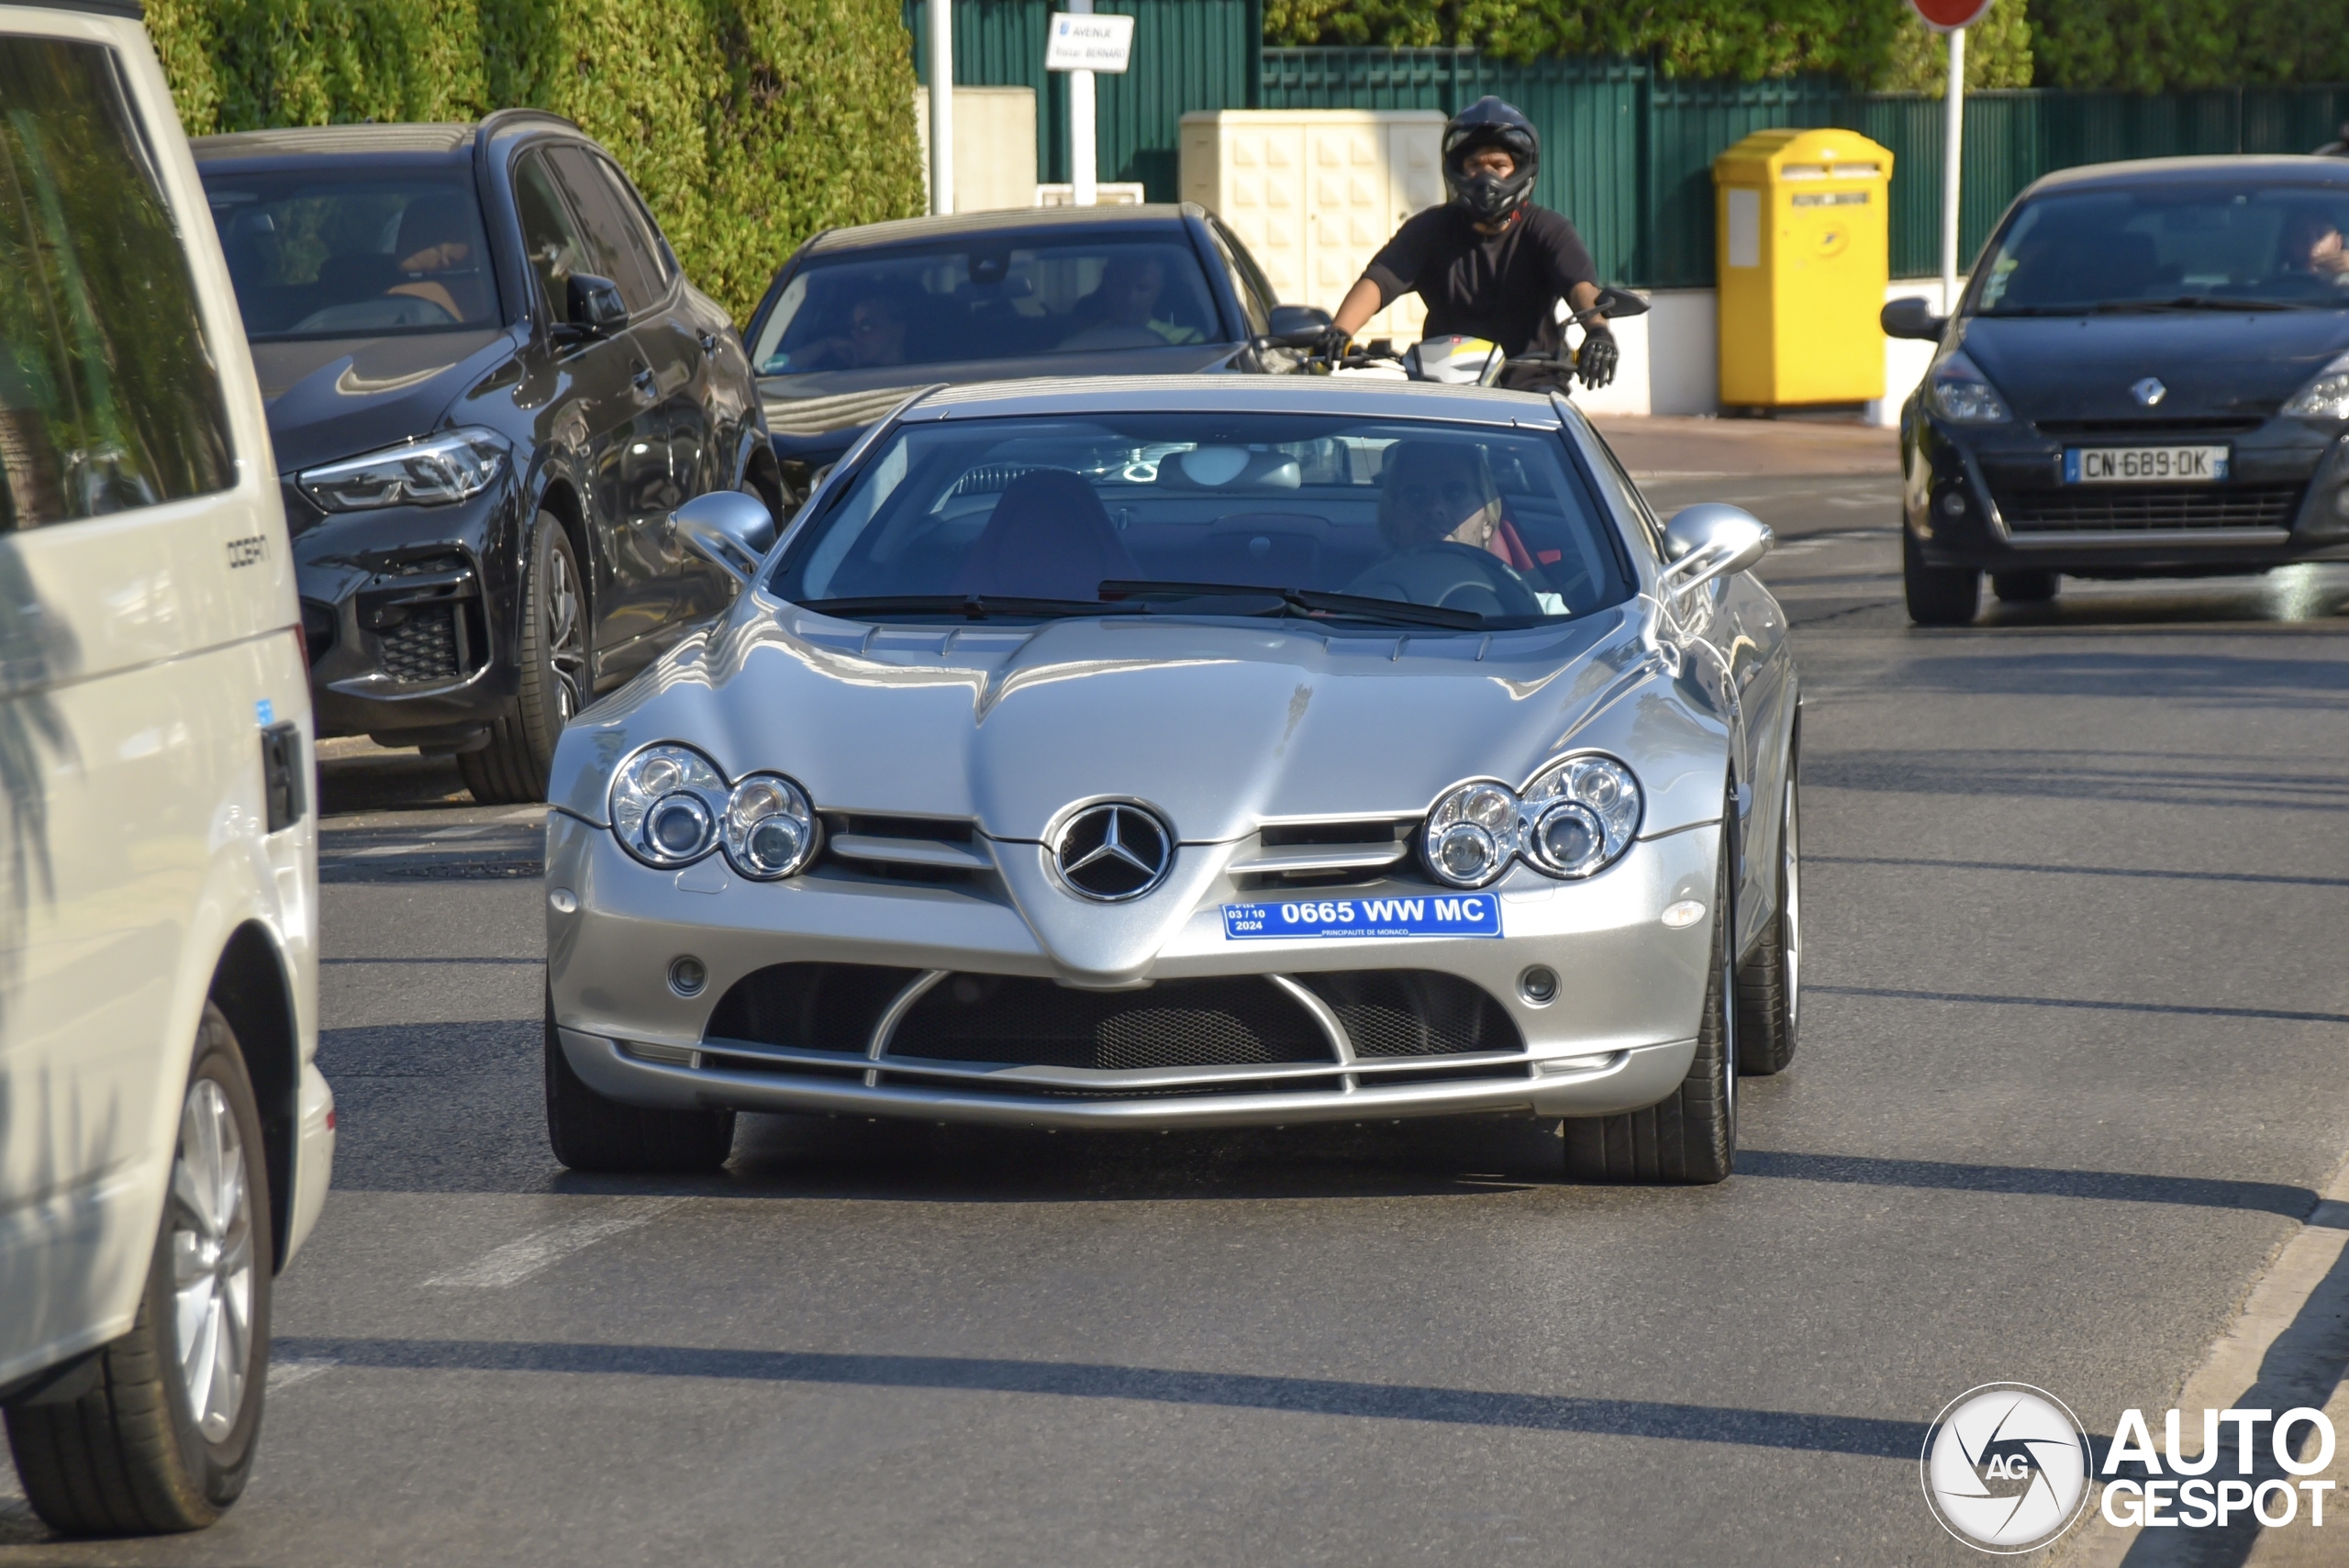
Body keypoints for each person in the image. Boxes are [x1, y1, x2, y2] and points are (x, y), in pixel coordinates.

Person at [1322, 97, 1615, 392]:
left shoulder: (1548, 229)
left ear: (1521, 169)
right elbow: (1380, 279)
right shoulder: (1430, 229)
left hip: (1533, 390)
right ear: (1457, 170)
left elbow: (1582, 287)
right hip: (1445, 391)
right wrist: (1340, 330)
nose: (1486, 176)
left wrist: (1599, 332)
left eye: (1498, 165)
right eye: (1475, 165)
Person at [1057, 253, 1204, 350]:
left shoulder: (1188, 341)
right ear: (1106, 280)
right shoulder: (1078, 346)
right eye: (1122, 285)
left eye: (1143, 288)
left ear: (1160, 288)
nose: (1130, 298)